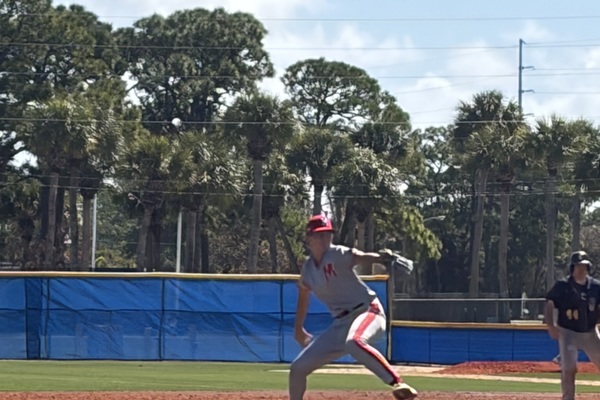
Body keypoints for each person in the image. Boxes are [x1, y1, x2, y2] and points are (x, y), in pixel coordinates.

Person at [288, 214, 418, 400]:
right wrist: (298, 328)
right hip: (340, 324)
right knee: (298, 368)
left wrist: (381, 258)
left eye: (327, 234)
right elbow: (303, 294)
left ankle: (398, 384)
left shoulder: (337, 254)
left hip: (367, 311)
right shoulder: (308, 269)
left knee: (354, 342)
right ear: (309, 238)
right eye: (319, 235)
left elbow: (360, 257)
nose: (325, 239)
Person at [545, 250, 600, 400]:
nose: (581, 269)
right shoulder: (562, 286)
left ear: (588, 268)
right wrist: (551, 325)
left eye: (584, 266)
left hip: (590, 332)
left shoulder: (595, 286)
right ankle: (568, 398)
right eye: (578, 266)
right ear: (572, 268)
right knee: (569, 368)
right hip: (568, 332)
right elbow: (550, 303)